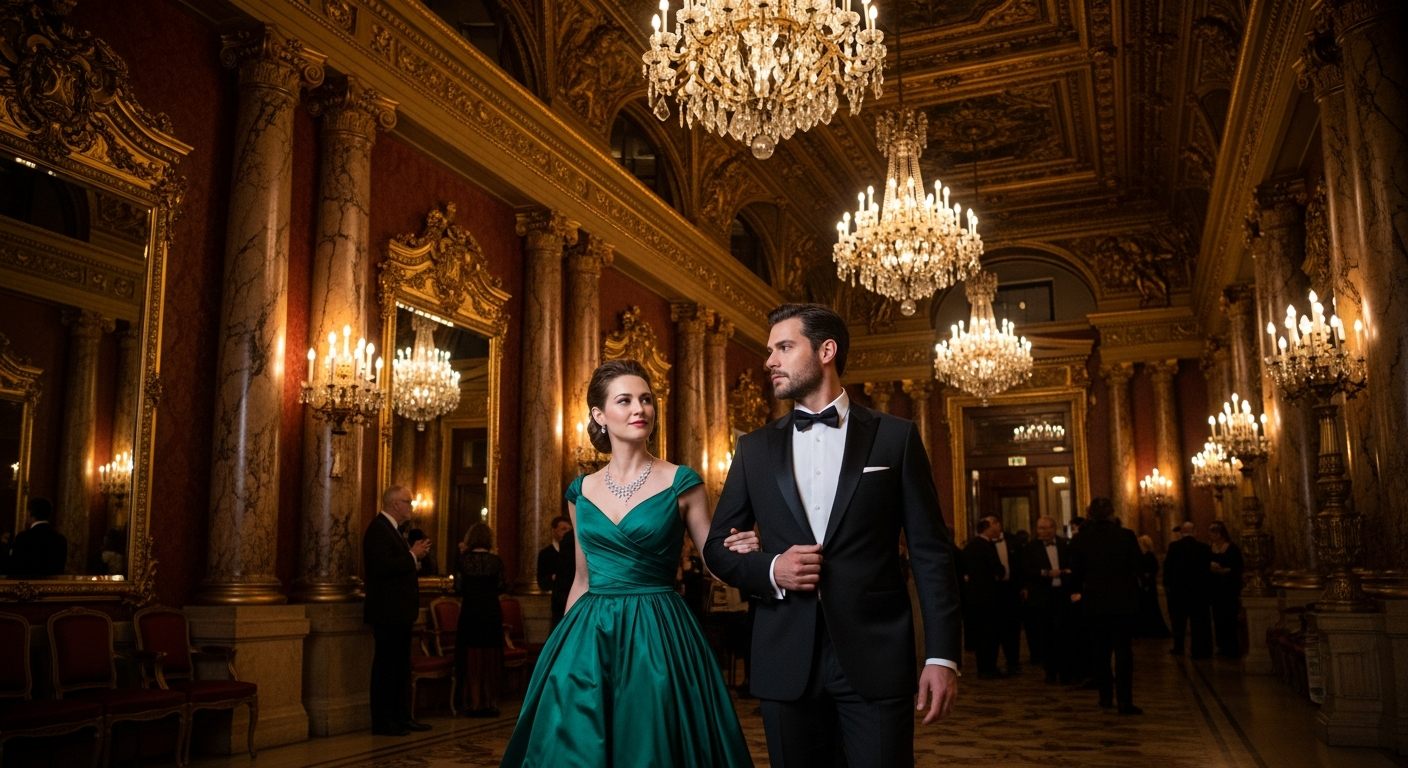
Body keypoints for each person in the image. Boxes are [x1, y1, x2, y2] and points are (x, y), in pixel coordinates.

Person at [704, 303, 962, 768]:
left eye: (784, 347)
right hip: (784, 657)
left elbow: (931, 555)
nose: (770, 362)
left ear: (826, 350)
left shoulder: (895, 438)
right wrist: (771, 569)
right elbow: (716, 549)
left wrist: (942, 657)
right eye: (769, 351)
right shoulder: (754, 448)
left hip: (876, 655)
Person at [501, 359, 760, 766]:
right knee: (576, 744)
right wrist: (564, 646)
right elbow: (583, 578)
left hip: (657, 629)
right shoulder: (580, 492)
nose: (640, 409)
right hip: (589, 632)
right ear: (599, 415)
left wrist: (746, 549)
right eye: (625, 400)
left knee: (651, 740)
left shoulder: (682, 481)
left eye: (646, 399)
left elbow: (714, 560)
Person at [363, 485, 434, 737]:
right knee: (386, 668)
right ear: (394, 504)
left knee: (400, 668)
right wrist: (412, 556)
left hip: (400, 612)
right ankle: (384, 722)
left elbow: (396, 566)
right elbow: (382, 567)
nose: (411, 507)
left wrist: (414, 558)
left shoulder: (393, 530)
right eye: (408, 502)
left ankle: (401, 717)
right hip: (387, 612)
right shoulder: (378, 530)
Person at [1068, 497, 1143, 715]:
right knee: (1123, 653)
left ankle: (1105, 697)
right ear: (1111, 514)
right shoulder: (1126, 536)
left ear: (1090, 514)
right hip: (1123, 602)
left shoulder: (1081, 540)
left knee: (1099, 652)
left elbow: (1076, 574)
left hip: (1094, 602)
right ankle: (1125, 701)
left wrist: (1077, 592)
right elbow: (1138, 566)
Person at [455, 522, 507, 716]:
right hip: (491, 613)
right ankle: (489, 702)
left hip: (470, 613)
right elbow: (503, 587)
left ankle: (472, 702)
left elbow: (458, 589)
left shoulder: (463, 561)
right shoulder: (496, 561)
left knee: (472, 658)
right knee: (490, 658)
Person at [1020, 516, 1074, 683]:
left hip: (1062, 595)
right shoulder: (1030, 548)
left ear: (1054, 528)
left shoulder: (1066, 545)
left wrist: (1065, 572)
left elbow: (1073, 565)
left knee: (1064, 634)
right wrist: (1046, 573)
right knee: (1045, 636)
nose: (1043, 531)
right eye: (1040, 528)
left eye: (1046, 528)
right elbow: (1027, 570)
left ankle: (1065, 672)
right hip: (1042, 596)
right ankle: (1050, 672)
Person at [964, 517, 1011, 678]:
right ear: (987, 528)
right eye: (995, 525)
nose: (999, 527)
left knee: (980, 635)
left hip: (974, 598)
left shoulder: (970, 546)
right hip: (990, 598)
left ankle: (983, 667)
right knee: (990, 635)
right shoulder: (987, 546)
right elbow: (998, 570)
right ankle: (989, 668)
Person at [1164, 521, 1213, 659]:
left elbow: (1168, 568)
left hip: (1179, 591)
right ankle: (1199, 649)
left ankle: (1178, 647)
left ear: (1182, 532)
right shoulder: (1204, 548)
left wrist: (1168, 586)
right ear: (1194, 532)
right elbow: (1207, 571)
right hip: (1199, 591)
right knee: (1199, 621)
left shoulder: (1174, 547)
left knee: (1179, 621)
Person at [1208, 521, 1244, 658]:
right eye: (1211, 532)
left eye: (1215, 532)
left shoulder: (1232, 548)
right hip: (1216, 588)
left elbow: (1239, 566)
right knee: (1218, 618)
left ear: (1221, 533)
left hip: (1229, 587)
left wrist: (1226, 570)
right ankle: (1222, 645)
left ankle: (1232, 647)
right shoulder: (1210, 549)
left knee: (1230, 617)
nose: (1212, 535)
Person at [9, 497, 66, 577]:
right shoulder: (60, 539)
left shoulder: (23, 537)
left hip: (26, 587)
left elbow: (15, 570)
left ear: (29, 513)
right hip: (51, 588)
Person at [535, 516, 575, 629]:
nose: (567, 533)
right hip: (558, 602)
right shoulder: (546, 554)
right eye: (563, 529)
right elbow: (542, 583)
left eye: (569, 530)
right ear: (554, 531)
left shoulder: (576, 553)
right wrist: (553, 577)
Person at [1134, 534, 1171, 638]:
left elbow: (1155, 568)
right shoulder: (1139, 556)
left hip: (1150, 583)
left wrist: (1149, 573)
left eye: (1141, 543)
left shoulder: (1150, 555)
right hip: (1141, 583)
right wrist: (1141, 574)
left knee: (1152, 606)